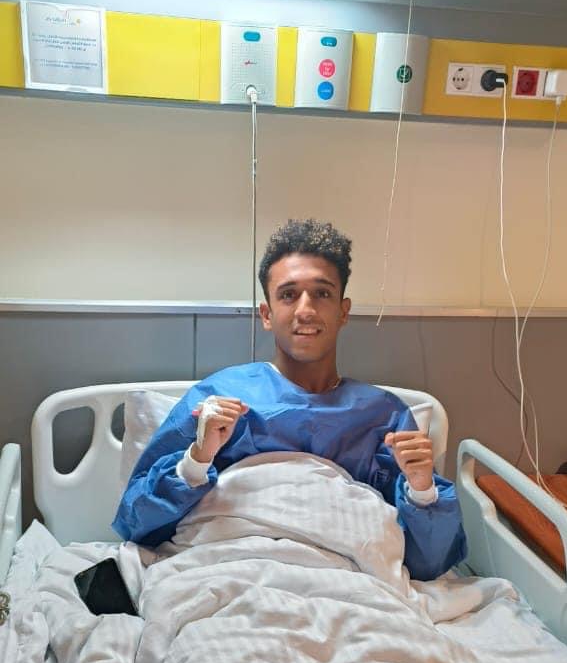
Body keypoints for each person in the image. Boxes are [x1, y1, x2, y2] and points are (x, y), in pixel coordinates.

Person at [113, 219, 466, 580]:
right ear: (266, 315)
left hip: (347, 581)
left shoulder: (383, 416)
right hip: (225, 568)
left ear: (343, 311)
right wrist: (197, 460)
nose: (305, 310)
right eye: (288, 295)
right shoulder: (218, 399)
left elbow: (428, 565)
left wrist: (422, 491)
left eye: (322, 294)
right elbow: (137, 527)